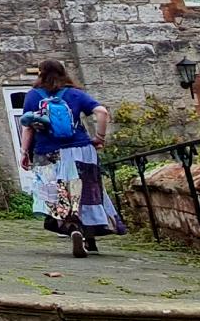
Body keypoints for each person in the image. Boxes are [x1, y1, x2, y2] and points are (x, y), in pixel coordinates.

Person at [19, 59, 126, 258]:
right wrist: (99, 138)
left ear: (40, 74)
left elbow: (27, 127)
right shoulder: (75, 94)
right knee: (86, 191)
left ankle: (72, 228)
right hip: (81, 149)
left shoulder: (33, 96)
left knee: (57, 193)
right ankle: (90, 237)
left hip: (48, 153)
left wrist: (25, 152)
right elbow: (101, 112)